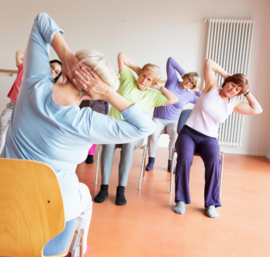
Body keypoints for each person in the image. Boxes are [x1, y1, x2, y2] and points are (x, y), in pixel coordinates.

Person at [1, 12, 156, 253]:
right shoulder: (87, 123)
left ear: (70, 67)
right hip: (46, 219)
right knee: (84, 194)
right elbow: (146, 127)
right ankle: (79, 249)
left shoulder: (34, 84)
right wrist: (108, 93)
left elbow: (42, 20)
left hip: (5, 203)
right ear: (94, 92)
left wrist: (65, 56)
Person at [174, 59, 263, 218]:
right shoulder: (212, 87)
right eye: (232, 85)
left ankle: (211, 203)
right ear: (226, 82)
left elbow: (257, 109)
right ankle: (181, 199)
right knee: (185, 158)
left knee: (215, 162)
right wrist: (228, 76)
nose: (233, 90)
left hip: (209, 139)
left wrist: (246, 91)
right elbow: (209, 63)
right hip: (189, 133)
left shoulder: (234, 103)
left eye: (237, 89)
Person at [94, 53, 179, 206]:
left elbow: (174, 99)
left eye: (149, 79)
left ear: (153, 82)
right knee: (108, 145)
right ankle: (104, 188)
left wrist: (159, 87)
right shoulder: (128, 80)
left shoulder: (153, 95)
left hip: (133, 132)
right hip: (113, 128)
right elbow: (120, 56)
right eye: (143, 76)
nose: (144, 80)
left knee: (127, 146)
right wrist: (139, 70)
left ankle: (121, 190)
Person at [145, 57, 201, 172]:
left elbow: (203, 99)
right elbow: (170, 60)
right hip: (158, 119)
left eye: (192, 83)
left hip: (173, 121)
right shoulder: (172, 80)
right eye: (188, 79)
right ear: (184, 77)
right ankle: (151, 160)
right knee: (153, 132)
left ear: (193, 86)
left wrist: (196, 91)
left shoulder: (190, 95)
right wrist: (183, 73)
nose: (188, 83)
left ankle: (171, 163)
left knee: (175, 136)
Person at [0, 51, 62, 153]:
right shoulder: (27, 69)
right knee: (3, 123)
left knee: (19, 136)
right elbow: (19, 54)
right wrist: (37, 60)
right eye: (52, 67)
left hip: (27, 112)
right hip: (13, 106)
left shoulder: (49, 86)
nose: (53, 71)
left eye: (57, 72)